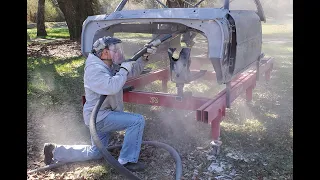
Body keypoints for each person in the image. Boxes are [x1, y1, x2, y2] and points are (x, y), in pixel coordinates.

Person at [43, 36, 157, 172]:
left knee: (95, 153)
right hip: (99, 117)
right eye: (115, 50)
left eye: (119, 49)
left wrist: (143, 58)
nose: (119, 52)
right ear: (103, 52)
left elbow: (130, 72)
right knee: (137, 121)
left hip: (103, 114)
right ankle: (126, 162)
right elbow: (112, 87)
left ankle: (55, 150)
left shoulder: (108, 63)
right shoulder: (94, 69)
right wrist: (124, 70)